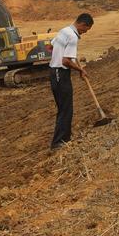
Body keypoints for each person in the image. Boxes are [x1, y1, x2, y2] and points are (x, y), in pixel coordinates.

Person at [49, 13, 93, 149]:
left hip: (53, 71)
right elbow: (66, 61)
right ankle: (59, 142)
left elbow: (51, 46)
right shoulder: (73, 37)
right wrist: (80, 70)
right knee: (66, 109)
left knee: (63, 108)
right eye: (85, 30)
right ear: (82, 24)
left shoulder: (64, 31)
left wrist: (60, 53)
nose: (84, 32)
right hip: (60, 73)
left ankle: (64, 138)